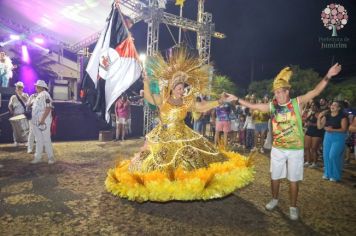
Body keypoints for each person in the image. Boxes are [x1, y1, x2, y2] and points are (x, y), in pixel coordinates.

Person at [105, 49, 254, 202]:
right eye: (178, 87)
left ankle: (184, 186)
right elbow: (148, 96)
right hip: (162, 135)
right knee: (153, 162)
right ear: (171, 87)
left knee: (187, 157)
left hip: (183, 135)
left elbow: (201, 107)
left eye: (182, 88)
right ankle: (162, 185)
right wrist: (145, 80)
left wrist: (220, 102)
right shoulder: (163, 99)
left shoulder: (186, 102)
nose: (180, 90)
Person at [234, 63, 342, 220]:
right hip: (278, 149)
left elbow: (316, 91)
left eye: (280, 92)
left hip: (295, 149)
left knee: (293, 179)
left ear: (287, 91)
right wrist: (236, 99)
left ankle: (293, 207)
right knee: (274, 177)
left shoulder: (297, 103)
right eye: (276, 92)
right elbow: (253, 105)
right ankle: (274, 199)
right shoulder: (272, 106)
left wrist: (328, 75)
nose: (277, 95)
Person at [317, 101, 348, 182]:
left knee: (333, 156)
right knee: (326, 156)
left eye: (335, 105)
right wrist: (319, 117)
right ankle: (327, 174)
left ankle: (336, 175)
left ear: (339, 108)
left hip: (338, 137)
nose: (332, 106)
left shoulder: (343, 117)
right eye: (332, 104)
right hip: (328, 137)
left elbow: (344, 129)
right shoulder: (327, 116)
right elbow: (320, 127)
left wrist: (332, 129)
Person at [30, 80, 55, 164]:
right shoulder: (38, 95)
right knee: (38, 140)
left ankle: (51, 157)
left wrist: (42, 119)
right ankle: (38, 157)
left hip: (43, 121)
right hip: (37, 121)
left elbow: (48, 108)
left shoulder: (45, 95)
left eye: (36, 86)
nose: (35, 87)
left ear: (40, 87)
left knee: (46, 139)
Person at [304, 101, 324, 168]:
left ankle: (315, 163)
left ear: (317, 106)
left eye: (314, 105)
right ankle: (308, 161)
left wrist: (311, 124)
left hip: (317, 132)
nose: (312, 106)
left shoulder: (320, 114)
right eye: (311, 105)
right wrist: (306, 122)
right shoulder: (311, 112)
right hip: (309, 131)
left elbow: (321, 125)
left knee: (314, 148)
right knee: (306, 147)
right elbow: (306, 119)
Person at [8, 81, 29, 146]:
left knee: (24, 129)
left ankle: (26, 141)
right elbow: (9, 105)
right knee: (15, 129)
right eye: (18, 87)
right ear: (16, 88)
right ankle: (16, 141)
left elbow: (28, 103)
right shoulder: (13, 97)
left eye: (20, 87)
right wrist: (11, 111)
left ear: (22, 88)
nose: (19, 89)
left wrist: (22, 96)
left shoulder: (25, 95)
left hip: (23, 115)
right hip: (16, 114)